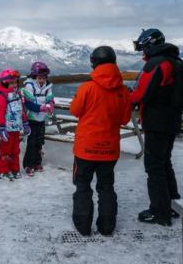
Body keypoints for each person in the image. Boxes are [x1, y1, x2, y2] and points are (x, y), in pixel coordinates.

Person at [70, 46, 131, 236]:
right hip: (109, 148)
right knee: (106, 186)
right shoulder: (122, 90)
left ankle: (83, 226)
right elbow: (124, 118)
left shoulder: (87, 87)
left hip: (86, 148)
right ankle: (107, 227)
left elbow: (75, 110)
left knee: (82, 185)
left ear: (93, 62)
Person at [130, 28, 182, 226]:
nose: (142, 52)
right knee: (165, 162)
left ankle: (160, 212)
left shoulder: (155, 64)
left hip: (156, 122)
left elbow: (141, 94)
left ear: (150, 44)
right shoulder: (174, 61)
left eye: (142, 47)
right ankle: (174, 205)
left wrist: (128, 96)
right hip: (172, 119)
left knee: (154, 167)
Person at [0, 68, 29, 181]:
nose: (14, 85)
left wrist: (25, 122)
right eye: (11, 83)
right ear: (5, 83)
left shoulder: (18, 94)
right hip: (7, 129)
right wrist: (2, 128)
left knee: (15, 149)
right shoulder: (2, 96)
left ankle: (14, 169)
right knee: (5, 150)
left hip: (17, 127)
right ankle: (2, 171)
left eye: (15, 82)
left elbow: (22, 110)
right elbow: (0, 112)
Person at [22, 61, 55, 176]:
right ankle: (28, 165)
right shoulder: (29, 86)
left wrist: (51, 105)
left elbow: (50, 99)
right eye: (39, 78)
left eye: (44, 78)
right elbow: (28, 104)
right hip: (31, 118)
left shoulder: (47, 85)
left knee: (39, 141)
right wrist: (40, 107)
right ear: (34, 76)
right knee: (31, 142)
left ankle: (37, 163)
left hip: (41, 118)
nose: (42, 80)